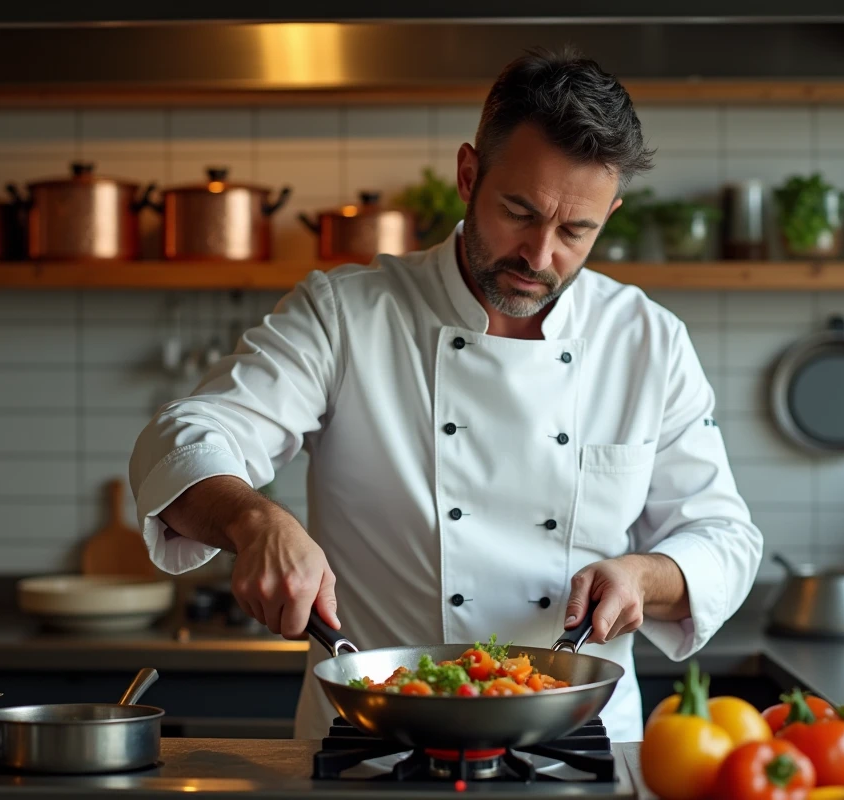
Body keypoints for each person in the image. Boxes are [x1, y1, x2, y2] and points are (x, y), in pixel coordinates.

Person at [129, 47, 762, 743]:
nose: (540, 255)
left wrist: (648, 575)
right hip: (375, 738)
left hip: (581, 741)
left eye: (576, 230)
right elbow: (185, 435)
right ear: (468, 175)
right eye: (519, 211)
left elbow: (724, 537)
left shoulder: (647, 340)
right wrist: (256, 522)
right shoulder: (347, 315)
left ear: (609, 213)